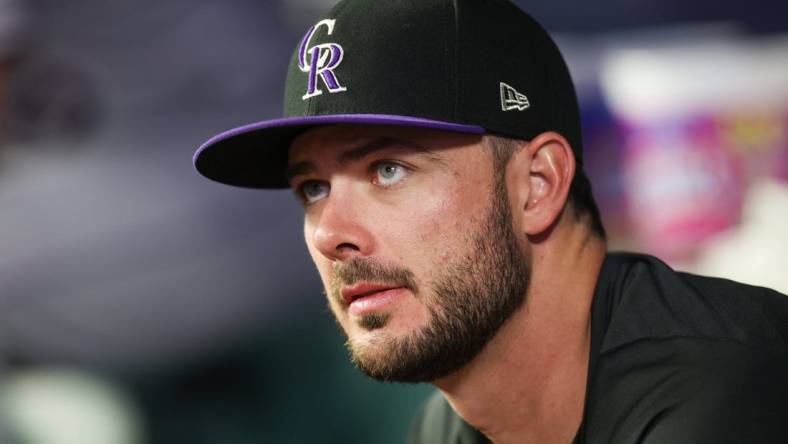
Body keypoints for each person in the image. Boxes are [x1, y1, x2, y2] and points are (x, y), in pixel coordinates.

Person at [193, 0, 788, 442]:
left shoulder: (729, 390)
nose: (328, 233)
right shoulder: (447, 427)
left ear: (538, 185)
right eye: (312, 187)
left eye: (389, 169)